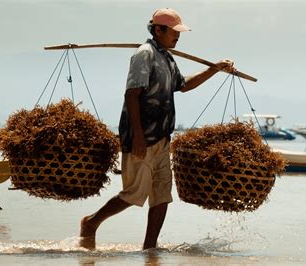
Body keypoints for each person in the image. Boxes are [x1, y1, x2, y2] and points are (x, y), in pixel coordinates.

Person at [79, 7, 235, 250]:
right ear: (158, 30)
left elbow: (183, 85)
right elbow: (132, 95)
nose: (178, 36)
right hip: (141, 137)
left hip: (162, 138)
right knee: (134, 194)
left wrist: (214, 69)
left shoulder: (166, 57)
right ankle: (91, 223)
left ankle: (149, 248)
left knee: (162, 195)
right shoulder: (145, 54)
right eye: (174, 31)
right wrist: (139, 137)